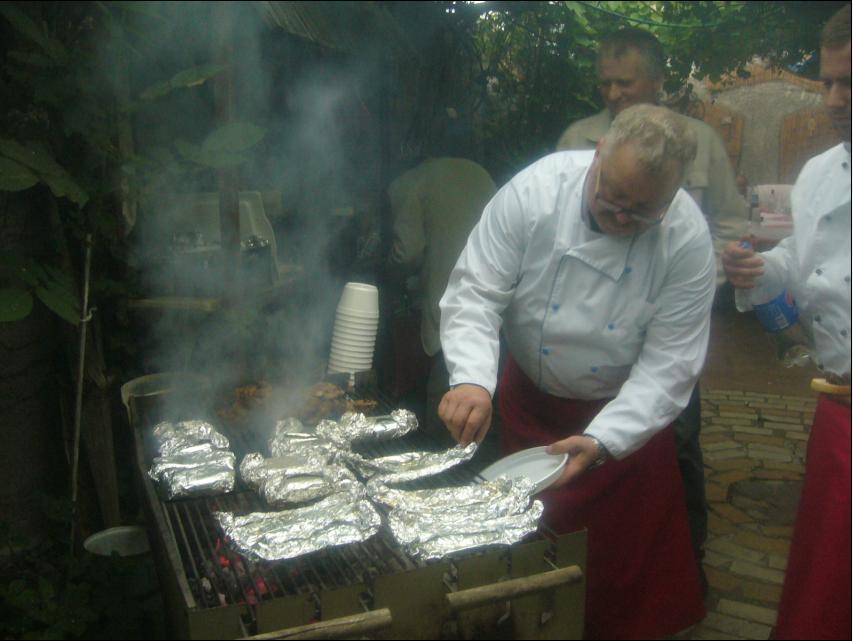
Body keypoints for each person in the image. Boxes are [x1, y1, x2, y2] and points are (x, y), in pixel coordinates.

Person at [439, 104, 712, 639]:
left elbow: (670, 365)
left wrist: (606, 439)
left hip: (624, 419)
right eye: (612, 197)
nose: (621, 218)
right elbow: (476, 291)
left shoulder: (686, 238)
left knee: (626, 575)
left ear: (672, 196)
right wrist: (471, 377)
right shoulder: (535, 193)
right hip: (531, 405)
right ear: (598, 154)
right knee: (533, 550)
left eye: (642, 212)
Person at [556, 28, 745, 576]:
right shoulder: (578, 138)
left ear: (658, 81)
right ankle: (581, 567)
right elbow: (559, 223)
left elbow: (730, 223)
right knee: (580, 449)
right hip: (583, 327)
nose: (613, 93)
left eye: (625, 82)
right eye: (605, 83)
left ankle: (686, 565)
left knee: (677, 441)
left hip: (666, 323)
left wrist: (694, 286)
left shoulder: (699, 142)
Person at [722, 5, 851, 638]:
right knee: (828, 587)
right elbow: (804, 263)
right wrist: (760, 270)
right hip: (841, 409)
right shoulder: (820, 174)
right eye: (828, 82)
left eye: (850, 83)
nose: (833, 101)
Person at [387, 121, 497, 447]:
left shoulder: (414, 180)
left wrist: (387, 277)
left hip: (446, 305)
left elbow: (406, 252)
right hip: (492, 309)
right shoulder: (482, 175)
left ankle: (441, 457)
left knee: (447, 397)